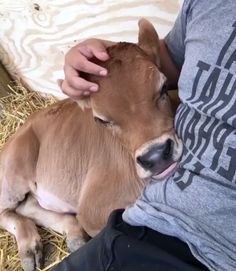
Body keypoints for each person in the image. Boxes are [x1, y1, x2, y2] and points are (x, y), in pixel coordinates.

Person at [54, 0, 236, 270]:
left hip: (218, 254)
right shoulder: (209, 4)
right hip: (137, 225)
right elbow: (163, 63)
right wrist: (99, 55)